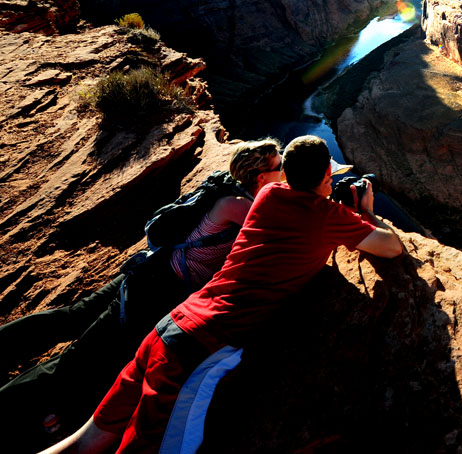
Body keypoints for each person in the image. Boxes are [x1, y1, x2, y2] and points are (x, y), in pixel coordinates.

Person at [43, 135, 403, 454]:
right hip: (201, 349)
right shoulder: (326, 215)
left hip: (168, 328)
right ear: (327, 174)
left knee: (90, 437)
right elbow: (392, 248)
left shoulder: (267, 194)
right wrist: (366, 212)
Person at [1, 139, 283, 453]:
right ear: (261, 177)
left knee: (74, 319)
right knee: (77, 361)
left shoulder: (223, 187)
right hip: (153, 292)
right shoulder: (242, 206)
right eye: (280, 166)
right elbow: (273, 240)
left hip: (147, 269)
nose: (284, 170)